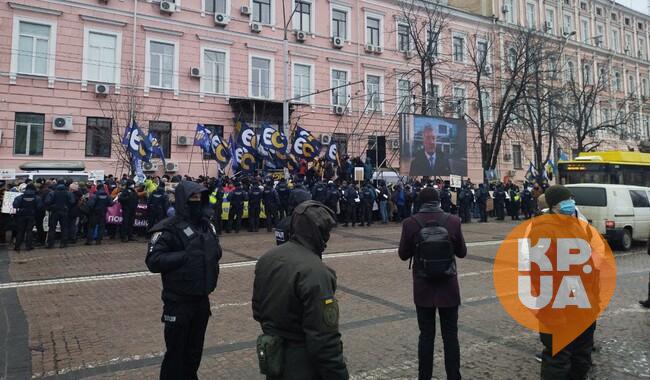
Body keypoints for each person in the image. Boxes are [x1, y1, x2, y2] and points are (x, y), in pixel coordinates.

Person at [252, 201, 348, 379]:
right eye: (325, 232)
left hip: (274, 355)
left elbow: (258, 310)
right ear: (318, 233)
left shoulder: (267, 258)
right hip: (303, 362)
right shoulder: (316, 272)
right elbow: (324, 339)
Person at [145, 181, 222, 380]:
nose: (197, 202)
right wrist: (184, 256)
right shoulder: (168, 228)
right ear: (183, 200)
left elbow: (215, 253)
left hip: (201, 300)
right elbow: (153, 260)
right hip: (178, 302)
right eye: (192, 199)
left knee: (194, 352)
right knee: (175, 354)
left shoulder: (207, 226)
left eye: (200, 198)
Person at [398, 188, 467, 380]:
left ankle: (424, 377)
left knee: (426, 336)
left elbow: (403, 255)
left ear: (419, 202)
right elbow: (462, 252)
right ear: (439, 201)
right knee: (451, 337)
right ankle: (454, 377)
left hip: (423, 288)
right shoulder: (453, 221)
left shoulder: (410, 223)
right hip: (449, 287)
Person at [536, 184, 598, 379]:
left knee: (582, 357)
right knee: (558, 358)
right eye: (566, 201)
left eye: (571, 199)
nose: (571, 204)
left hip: (583, 303)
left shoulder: (579, 226)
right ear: (554, 205)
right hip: (557, 305)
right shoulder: (542, 229)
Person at [45, 180, 75, 249]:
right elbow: (72, 201)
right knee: (64, 228)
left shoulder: (52, 193)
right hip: (64, 211)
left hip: (54, 212)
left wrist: (52, 206)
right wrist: (67, 206)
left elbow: (47, 201)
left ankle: (50, 244)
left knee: (52, 228)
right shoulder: (68, 193)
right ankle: (63, 243)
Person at [13, 183, 42, 252]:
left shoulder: (20, 197)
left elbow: (15, 205)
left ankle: (17, 246)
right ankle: (28, 246)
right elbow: (40, 207)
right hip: (31, 216)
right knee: (29, 231)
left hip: (21, 216)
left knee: (20, 231)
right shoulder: (37, 197)